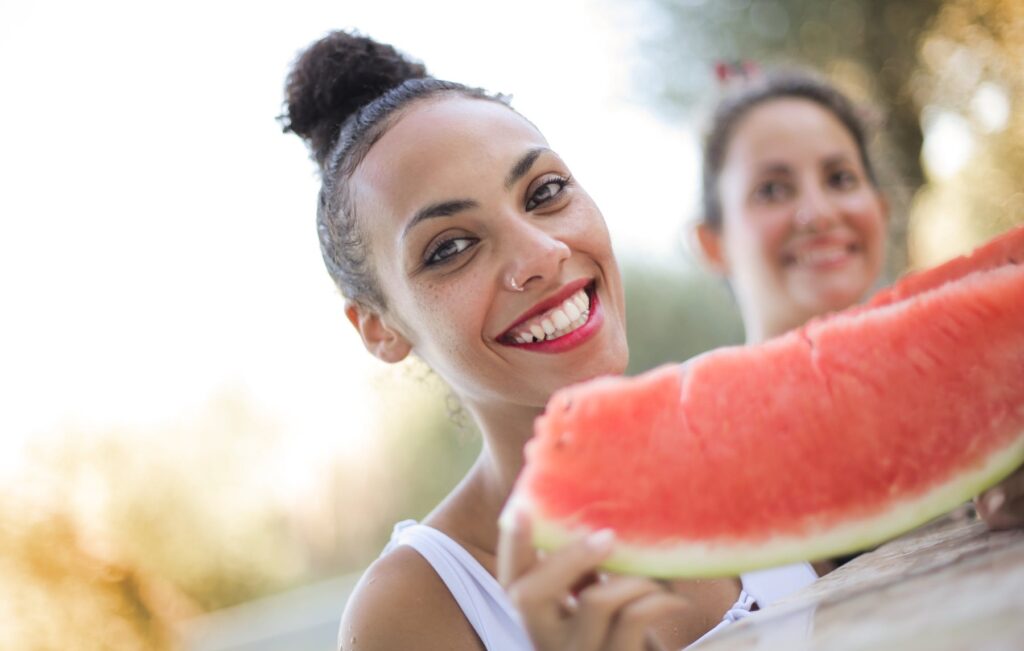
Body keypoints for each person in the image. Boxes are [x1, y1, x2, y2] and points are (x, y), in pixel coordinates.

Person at [282, 31, 743, 651]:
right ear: (379, 328)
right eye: (450, 247)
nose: (542, 255)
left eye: (545, 193)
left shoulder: (749, 443)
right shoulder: (413, 613)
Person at [692, 68, 1023, 540]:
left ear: (881, 210)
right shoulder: (706, 453)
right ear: (712, 244)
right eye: (772, 189)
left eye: (841, 178)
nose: (819, 213)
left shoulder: (982, 381)